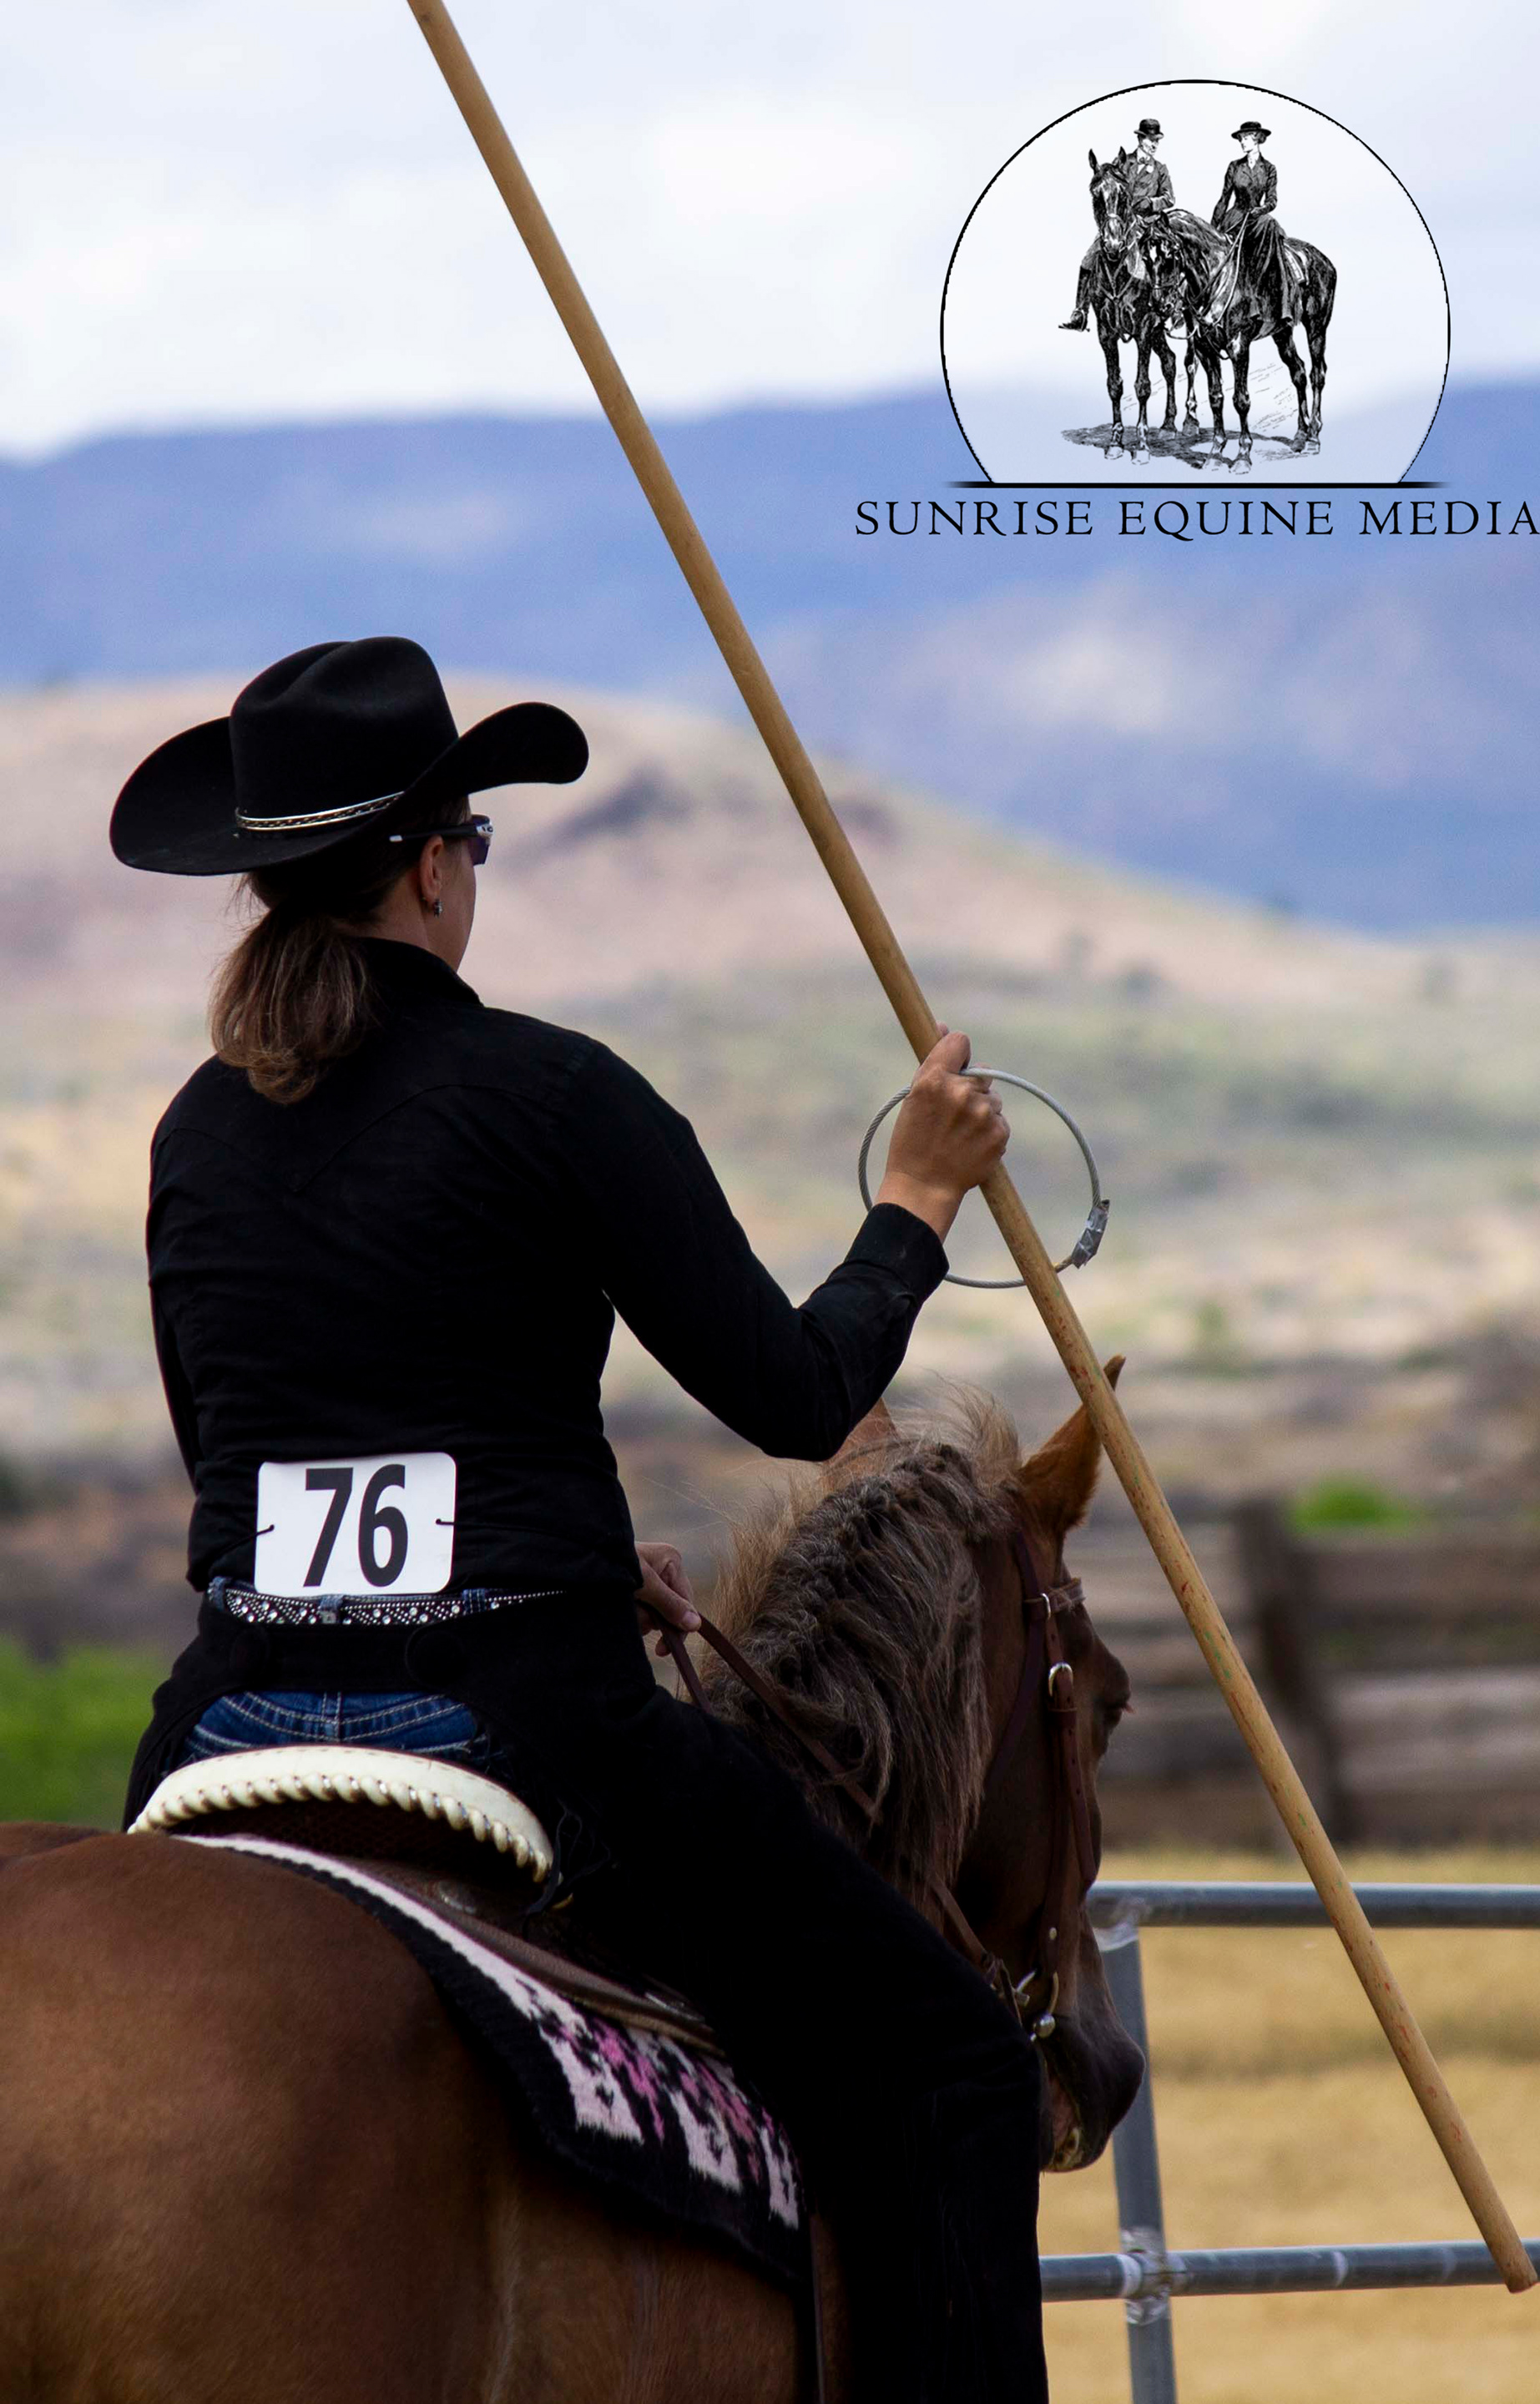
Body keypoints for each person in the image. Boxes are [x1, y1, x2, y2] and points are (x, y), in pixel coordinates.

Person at [110, 636, 1046, 2403]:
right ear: (431, 868)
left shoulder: (195, 1130)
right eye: (469, 839)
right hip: (528, 1714)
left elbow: (241, 1453)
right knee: (960, 2072)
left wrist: (568, 1546)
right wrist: (915, 1202)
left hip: (228, 1712)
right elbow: (796, 1396)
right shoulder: (556, 1093)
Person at [1062, 117, 1171, 331]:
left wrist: (1150, 203)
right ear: (1140, 139)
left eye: (1157, 141)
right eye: (1151, 140)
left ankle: (1163, 306)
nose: (1154, 145)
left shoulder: (1160, 169)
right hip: (1120, 225)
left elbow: (1169, 198)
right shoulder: (1122, 163)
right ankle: (1080, 312)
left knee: (1160, 259)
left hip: (1148, 224)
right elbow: (1107, 188)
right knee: (1088, 259)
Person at [1209, 120, 1300, 324]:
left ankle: (1281, 304)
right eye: (1241, 138)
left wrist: (1259, 211)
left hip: (1258, 218)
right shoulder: (1234, 166)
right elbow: (1224, 199)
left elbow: (1272, 200)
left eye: (1246, 138)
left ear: (1257, 139)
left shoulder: (1269, 168)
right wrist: (1212, 227)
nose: (1242, 142)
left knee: (1270, 225)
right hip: (1236, 216)